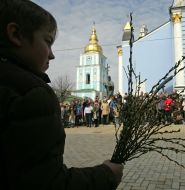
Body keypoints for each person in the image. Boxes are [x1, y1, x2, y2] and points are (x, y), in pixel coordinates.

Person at [0, 1, 123, 189]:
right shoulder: (33, 95)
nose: (52, 55)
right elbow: (46, 182)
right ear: (16, 35)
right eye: (48, 42)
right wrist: (106, 175)